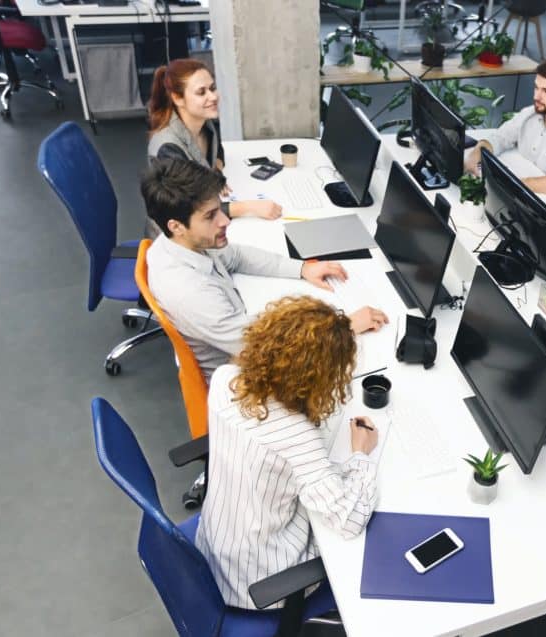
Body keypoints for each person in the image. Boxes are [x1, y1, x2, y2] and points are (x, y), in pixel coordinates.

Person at [196, 295, 379, 609]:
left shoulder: (227, 379)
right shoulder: (297, 435)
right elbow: (349, 519)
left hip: (215, 545)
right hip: (259, 579)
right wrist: (361, 456)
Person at [142, 158, 389, 385]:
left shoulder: (177, 241)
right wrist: (343, 327)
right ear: (177, 226)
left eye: (220, 209)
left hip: (242, 339)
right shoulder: (190, 291)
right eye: (210, 216)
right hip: (243, 378)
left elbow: (236, 256)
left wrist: (302, 268)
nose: (225, 221)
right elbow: (267, 346)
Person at [146, 58, 281, 236]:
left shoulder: (205, 123)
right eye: (201, 92)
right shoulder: (168, 148)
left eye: (212, 88)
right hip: (178, 238)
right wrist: (248, 207)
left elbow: (218, 150)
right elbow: (191, 211)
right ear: (178, 98)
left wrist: (215, 171)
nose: (213, 96)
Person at [464, 56, 546, 196]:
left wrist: (516, 184)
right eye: (536, 88)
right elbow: (501, 137)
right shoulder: (531, 112)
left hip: (542, 199)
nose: (537, 96)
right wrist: (477, 153)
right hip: (513, 189)